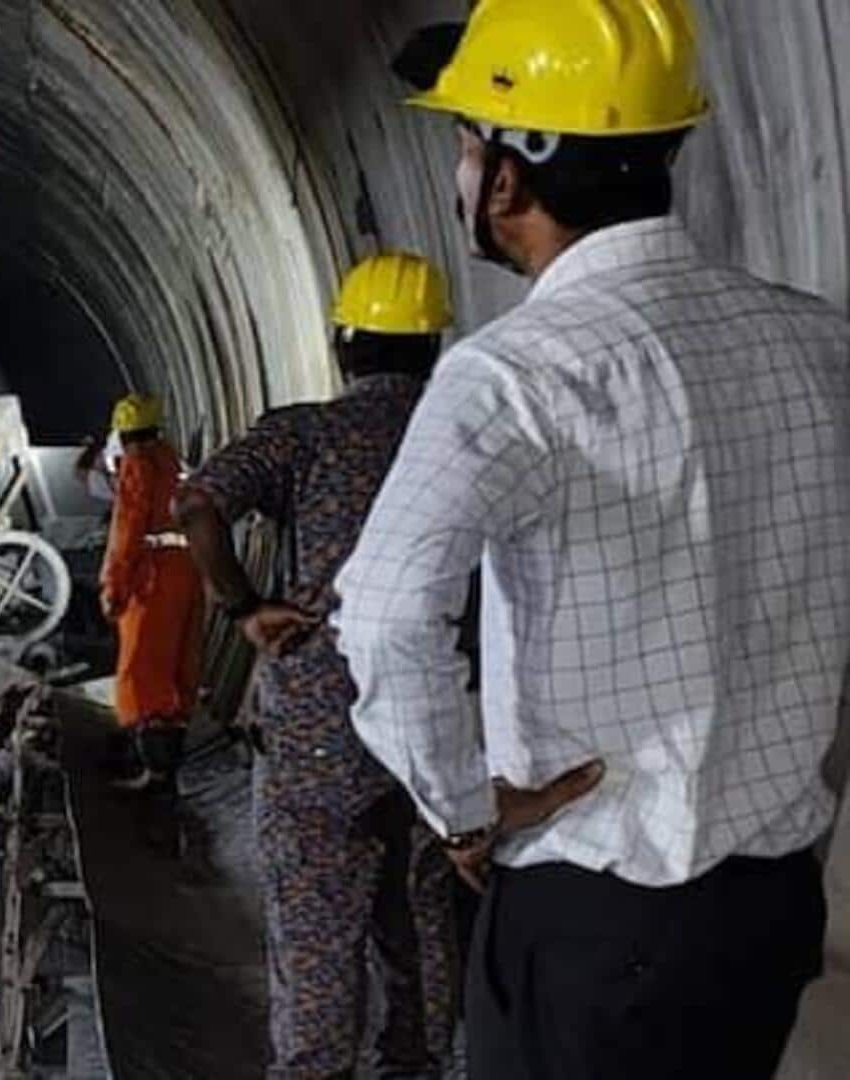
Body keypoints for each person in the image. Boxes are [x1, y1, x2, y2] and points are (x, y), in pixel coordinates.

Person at [334, 3, 850, 1077]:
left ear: (512, 180)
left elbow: (382, 615)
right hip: (768, 906)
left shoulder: (515, 376)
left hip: (597, 915)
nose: (464, 175)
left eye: (468, 146)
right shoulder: (818, 343)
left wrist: (463, 808)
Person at [177, 252, 461, 1080]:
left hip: (316, 728)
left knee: (315, 927)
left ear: (342, 343)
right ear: (434, 348)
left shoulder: (304, 434)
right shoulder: (465, 432)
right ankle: (417, 1063)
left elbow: (197, 506)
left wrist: (245, 609)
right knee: (423, 916)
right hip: (437, 722)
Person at [100, 393, 203, 791]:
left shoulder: (138, 465)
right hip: (188, 568)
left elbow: (126, 530)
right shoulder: (174, 462)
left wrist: (114, 586)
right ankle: (170, 762)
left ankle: (154, 770)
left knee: (142, 669)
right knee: (179, 665)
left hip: (153, 574)